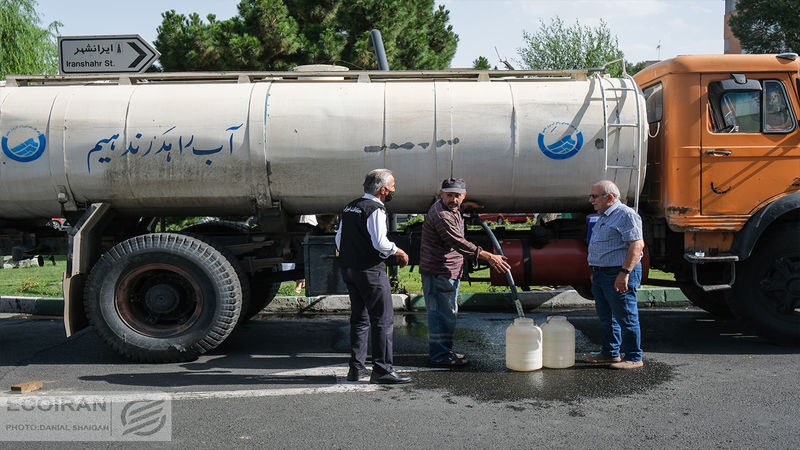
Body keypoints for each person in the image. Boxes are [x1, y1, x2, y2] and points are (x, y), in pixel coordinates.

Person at [420, 178, 511, 367]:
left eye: (457, 196)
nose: (453, 199)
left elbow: (455, 212)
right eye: (449, 195)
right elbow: (460, 243)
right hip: (439, 272)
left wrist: (463, 207)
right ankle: (440, 356)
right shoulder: (442, 215)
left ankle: (444, 350)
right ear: (441, 193)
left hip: (447, 270)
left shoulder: (449, 209)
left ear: (464, 196)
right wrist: (490, 257)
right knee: (441, 315)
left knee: (447, 314)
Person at [335, 169, 411, 384]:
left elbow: (339, 240)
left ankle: (356, 369)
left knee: (359, 319)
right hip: (370, 271)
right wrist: (399, 251)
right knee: (383, 320)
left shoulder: (350, 207)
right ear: (383, 190)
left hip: (349, 269)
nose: (394, 189)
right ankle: (382, 369)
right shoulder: (375, 209)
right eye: (393, 186)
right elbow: (380, 242)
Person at [585, 180, 645, 370]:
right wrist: (596, 271)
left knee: (626, 316)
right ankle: (610, 353)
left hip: (618, 272)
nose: (590, 200)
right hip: (602, 273)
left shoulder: (626, 215)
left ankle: (634, 357)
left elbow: (637, 245)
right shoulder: (604, 216)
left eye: (594, 196)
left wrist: (624, 273)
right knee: (607, 316)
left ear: (610, 197)